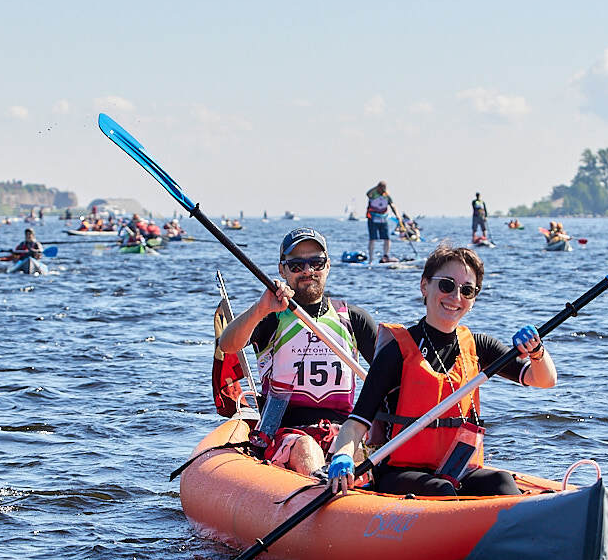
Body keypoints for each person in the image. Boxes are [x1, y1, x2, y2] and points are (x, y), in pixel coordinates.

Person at [325, 244, 556, 498]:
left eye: (467, 290)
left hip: (457, 470)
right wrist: (344, 454)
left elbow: (543, 380)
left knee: (500, 482)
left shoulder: (480, 346)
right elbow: (356, 423)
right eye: (446, 285)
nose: (456, 297)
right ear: (425, 286)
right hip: (399, 474)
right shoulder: (397, 352)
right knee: (441, 490)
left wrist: (537, 352)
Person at [217, 227, 378, 476]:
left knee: (353, 450)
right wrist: (260, 308)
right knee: (305, 446)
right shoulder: (271, 316)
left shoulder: (353, 319)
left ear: (328, 266)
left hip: (342, 429)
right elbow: (228, 345)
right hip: (285, 432)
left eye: (316, 262)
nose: (307, 271)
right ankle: (318, 494)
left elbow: (389, 375)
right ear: (282, 270)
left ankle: (360, 503)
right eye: (296, 265)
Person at [366, 180, 397, 263]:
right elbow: (368, 194)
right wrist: (376, 187)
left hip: (383, 220)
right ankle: (371, 259)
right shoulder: (373, 194)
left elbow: (392, 205)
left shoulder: (387, 196)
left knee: (387, 238)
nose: (382, 190)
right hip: (373, 219)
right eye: (381, 188)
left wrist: (397, 215)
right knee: (372, 239)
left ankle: (385, 255)